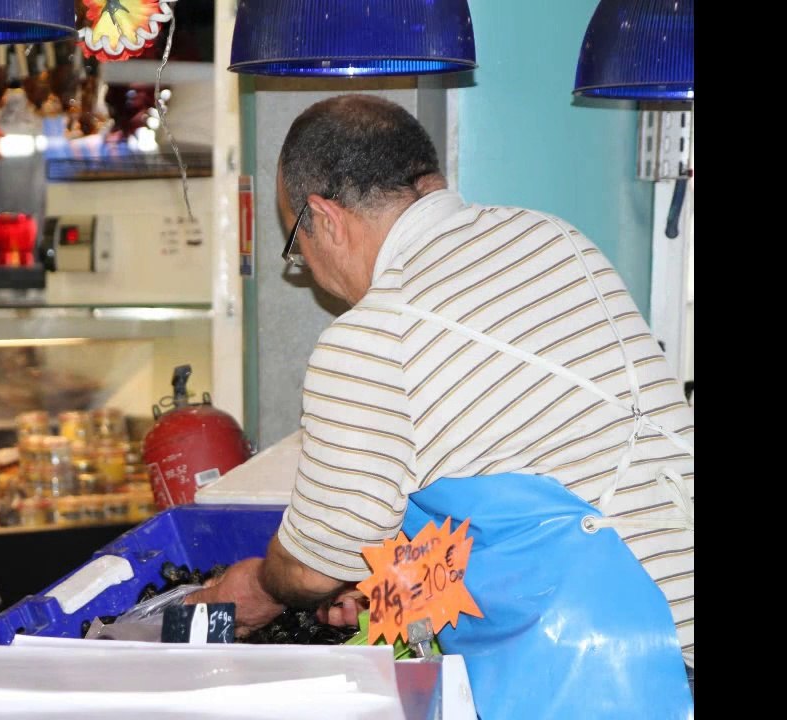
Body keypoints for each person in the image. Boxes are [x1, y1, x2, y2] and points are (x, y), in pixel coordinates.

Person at [185, 95, 694, 718]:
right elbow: (521, 471)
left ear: (325, 217)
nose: (310, 271)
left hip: (625, 665)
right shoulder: (553, 239)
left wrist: (258, 586)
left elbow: (319, 563)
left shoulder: (373, 334)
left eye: (297, 246)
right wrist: (393, 587)